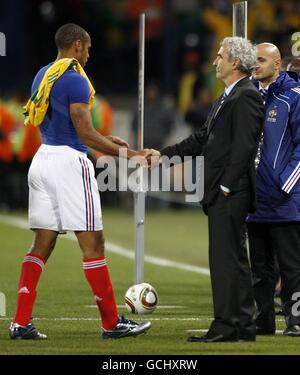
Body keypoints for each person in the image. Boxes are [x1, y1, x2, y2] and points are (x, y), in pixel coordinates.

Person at [9, 23, 153, 340]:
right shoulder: (75, 80)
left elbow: (65, 129)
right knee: (93, 245)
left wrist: (100, 141)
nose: (88, 54)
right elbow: (83, 132)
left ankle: (20, 322)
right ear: (77, 45)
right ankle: (111, 323)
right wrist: (131, 154)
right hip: (69, 167)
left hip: (43, 159)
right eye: (87, 48)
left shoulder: (44, 73)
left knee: (41, 244)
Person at [150, 37, 264, 342]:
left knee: (225, 260)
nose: (215, 61)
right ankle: (242, 325)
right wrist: (163, 155)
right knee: (234, 259)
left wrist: (227, 185)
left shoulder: (245, 96)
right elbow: (200, 139)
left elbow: (245, 145)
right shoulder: (227, 97)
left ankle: (227, 325)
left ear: (235, 63)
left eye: (220, 56)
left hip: (230, 191)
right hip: (224, 190)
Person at [247, 43, 300, 337]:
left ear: (277, 63)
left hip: (284, 199)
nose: (256, 65)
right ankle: (263, 321)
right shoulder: (250, 96)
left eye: (262, 60)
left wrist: (286, 183)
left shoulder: (294, 97)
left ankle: (296, 320)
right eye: (253, 60)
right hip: (256, 200)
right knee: (260, 269)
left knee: (292, 268)